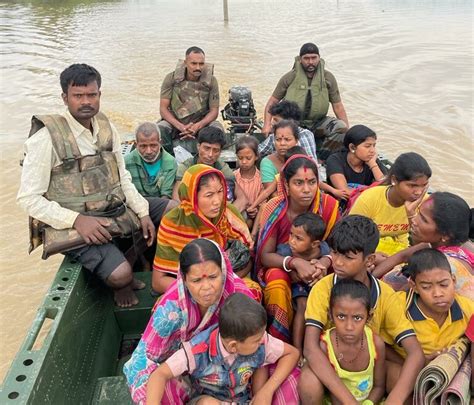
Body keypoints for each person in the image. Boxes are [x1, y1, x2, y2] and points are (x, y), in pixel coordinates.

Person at [17, 63, 175, 308]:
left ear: (99, 95)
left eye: (92, 94)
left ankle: (131, 256)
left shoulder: (106, 128)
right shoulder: (46, 139)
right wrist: (77, 221)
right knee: (121, 276)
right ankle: (122, 278)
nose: (86, 101)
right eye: (78, 96)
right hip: (76, 221)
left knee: (174, 210)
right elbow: (28, 199)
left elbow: (122, 177)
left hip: (111, 209)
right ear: (65, 98)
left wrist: (142, 211)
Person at [300, 215, 424, 405]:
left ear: (369, 260)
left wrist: (395, 399)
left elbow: (415, 353)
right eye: (334, 253)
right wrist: (349, 400)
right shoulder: (323, 289)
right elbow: (310, 348)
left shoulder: (386, 296)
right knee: (309, 381)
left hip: (371, 370)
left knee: (407, 381)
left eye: (348, 257)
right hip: (331, 367)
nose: (338, 262)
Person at [123, 238, 259, 404]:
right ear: (184, 280)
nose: (207, 287)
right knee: (150, 383)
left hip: (234, 375)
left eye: (213, 277)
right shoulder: (171, 310)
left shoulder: (239, 297)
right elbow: (143, 359)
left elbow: (258, 344)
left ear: (223, 272)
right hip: (184, 374)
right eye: (197, 280)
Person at [146, 292, 300, 404]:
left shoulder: (258, 338)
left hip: (243, 400)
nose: (262, 341)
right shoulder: (197, 351)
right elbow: (159, 375)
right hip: (206, 401)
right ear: (233, 346)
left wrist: (266, 391)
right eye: (257, 340)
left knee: (293, 375)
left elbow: (292, 353)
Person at [256, 154, 339, 342]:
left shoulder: (329, 206)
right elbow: (265, 256)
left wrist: (323, 263)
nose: (307, 190)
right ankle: (279, 339)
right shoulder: (274, 208)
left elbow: (338, 247)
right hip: (282, 265)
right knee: (277, 282)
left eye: (312, 182)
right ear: (286, 185)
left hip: (320, 265)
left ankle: (329, 340)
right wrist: (295, 263)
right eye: (299, 183)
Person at [153, 164, 258, 296]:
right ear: (192, 197)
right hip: (186, 290)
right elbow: (158, 282)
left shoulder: (228, 215)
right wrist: (200, 290)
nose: (217, 201)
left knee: (251, 294)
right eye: (209, 195)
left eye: (220, 192)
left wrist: (222, 284)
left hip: (226, 282)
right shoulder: (172, 222)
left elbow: (247, 260)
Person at [373, 192, 474, 299]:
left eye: (423, 219)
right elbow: (402, 256)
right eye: (418, 213)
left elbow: (399, 298)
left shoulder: (438, 267)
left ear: (445, 235)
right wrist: (371, 277)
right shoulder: (439, 244)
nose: (414, 221)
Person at [262, 42, 349, 161]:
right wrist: (266, 125)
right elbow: (272, 102)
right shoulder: (290, 77)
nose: (310, 62)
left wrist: (348, 132)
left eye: (314, 58)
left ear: (319, 58)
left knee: (341, 127)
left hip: (318, 122)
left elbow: (338, 106)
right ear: (300, 59)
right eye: (306, 58)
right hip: (294, 121)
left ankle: (322, 159)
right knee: (278, 130)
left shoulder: (328, 78)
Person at [394, 249, 473, 367]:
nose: (438, 293)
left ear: (453, 280)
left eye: (444, 285)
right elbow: (378, 346)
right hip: (404, 369)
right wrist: (416, 364)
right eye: (426, 287)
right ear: (414, 286)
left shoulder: (467, 308)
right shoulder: (396, 307)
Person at [349, 152, 432, 256]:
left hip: (400, 253)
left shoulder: (425, 203)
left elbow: (425, 244)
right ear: (394, 180)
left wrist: (411, 215)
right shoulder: (370, 199)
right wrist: (372, 256)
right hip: (369, 252)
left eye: (424, 185)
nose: (418, 192)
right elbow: (350, 237)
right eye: (412, 186)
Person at [319, 279, 386, 404]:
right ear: (330, 315)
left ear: (368, 317)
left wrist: (369, 403)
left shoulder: (376, 344)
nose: (349, 327)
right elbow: (333, 391)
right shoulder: (325, 347)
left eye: (357, 318)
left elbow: (379, 386)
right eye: (341, 316)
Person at [276, 212, 330, 355]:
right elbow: (275, 263)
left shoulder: (322, 249)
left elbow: (331, 255)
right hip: (296, 285)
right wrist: (292, 271)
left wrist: (322, 263)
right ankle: (298, 348)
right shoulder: (285, 250)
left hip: (316, 285)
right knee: (303, 305)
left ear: (315, 243)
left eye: (298, 238)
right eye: (291, 234)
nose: (291, 241)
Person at [158, 46, 224, 155]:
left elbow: (214, 111)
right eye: (193, 63)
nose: (198, 67)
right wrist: (181, 127)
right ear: (185, 63)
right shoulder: (171, 78)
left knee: (217, 129)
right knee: (160, 129)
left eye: (201, 64)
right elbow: (163, 109)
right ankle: (168, 158)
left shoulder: (211, 81)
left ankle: (209, 159)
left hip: (201, 124)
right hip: (175, 122)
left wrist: (197, 126)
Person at [172, 126, 248, 213]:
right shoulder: (186, 167)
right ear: (198, 146)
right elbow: (176, 198)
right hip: (192, 212)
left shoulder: (222, 169)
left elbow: (242, 199)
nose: (210, 154)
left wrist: (226, 217)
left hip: (216, 212)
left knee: (244, 215)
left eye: (215, 150)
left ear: (220, 152)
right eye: (206, 148)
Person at [325, 124, 387, 201]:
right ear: (352, 147)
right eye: (367, 146)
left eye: (374, 146)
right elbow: (345, 192)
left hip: (365, 201)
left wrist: (373, 165)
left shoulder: (372, 160)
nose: (372, 151)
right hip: (340, 204)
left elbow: (386, 187)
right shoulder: (335, 160)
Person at [124, 122, 177, 198]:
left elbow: (166, 195)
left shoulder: (170, 163)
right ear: (136, 145)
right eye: (143, 146)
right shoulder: (126, 162)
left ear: (160, 143)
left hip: (160, 205)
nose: (148, 151)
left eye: (153, 145)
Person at [233, 135, 264, 227]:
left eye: (248, 158)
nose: (244, 162)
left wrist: (256, 209)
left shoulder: (261, 178)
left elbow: (263, 203)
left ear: (256, 157)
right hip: (238, 217)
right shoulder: (234, 176)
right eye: (240, 158)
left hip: (257, 219)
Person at [260, 120, 299, 188]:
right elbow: (271, 193)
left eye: (287, 139)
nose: (282, 143)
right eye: (278, 139)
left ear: (296, 141)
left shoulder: (303, 159)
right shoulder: (267, 162)